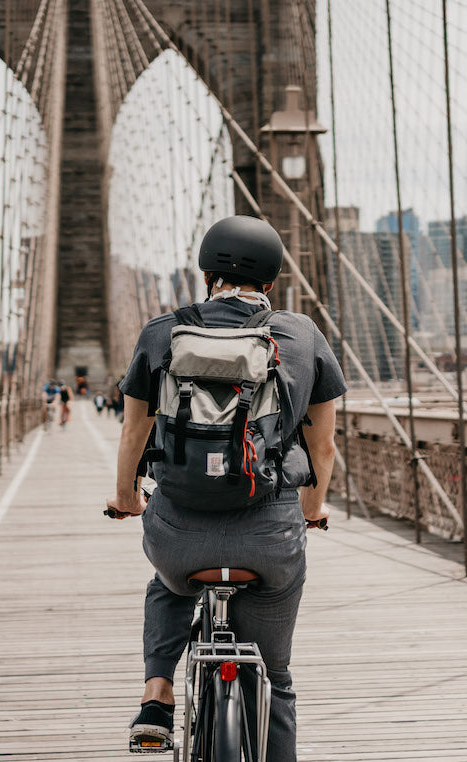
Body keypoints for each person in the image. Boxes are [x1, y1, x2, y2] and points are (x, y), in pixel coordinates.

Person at [105, 215, 346, 761]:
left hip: (179, 535)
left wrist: (126, 497)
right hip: (270, 539)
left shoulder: (162, 333)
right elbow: (324, 447)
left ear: (208, 272)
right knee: (276, 676)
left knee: (168, 581)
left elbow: (133, 430)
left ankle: (157, 692)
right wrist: (312, 507)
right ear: (272, 279)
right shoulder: (302, 335)